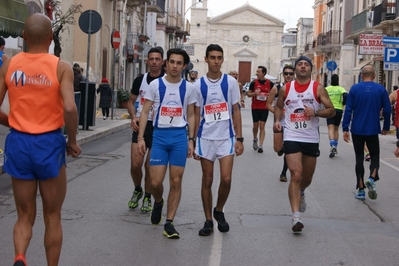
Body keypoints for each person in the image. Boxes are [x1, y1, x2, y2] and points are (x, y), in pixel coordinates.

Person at [0, 13, 81, 266]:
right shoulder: (61, 67)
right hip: (48, 143)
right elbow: (69, 108)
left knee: (24, 214)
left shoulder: (9, 64)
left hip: (19, 142)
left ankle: (20, 255)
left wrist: (13, 122)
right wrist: (73, 140)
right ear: (50, 37)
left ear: (23, 36)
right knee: (53, 216)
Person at [137, 48, 196, 239]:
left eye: (179, 63)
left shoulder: (189, 88)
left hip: (179, 136)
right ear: (166, 63)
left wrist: (191, 140)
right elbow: (145, 111)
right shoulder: (155, 85)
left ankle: (169, 222)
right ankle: (159, 201)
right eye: (172, 62)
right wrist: (140, 138)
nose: (175, 66)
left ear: (184, 66)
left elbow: (193, 114)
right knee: (155, 182)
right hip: (160, 137)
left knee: (176, 181)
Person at [273, 56, 335, 232]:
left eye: (306, 64)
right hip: (291, 135)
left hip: (310, 138)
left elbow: (331, 110)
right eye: (299, 64)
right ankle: (295, 217)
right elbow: (278, 106)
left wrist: (315, 112)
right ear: (295, 69)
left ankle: (301, 192)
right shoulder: (286, 88)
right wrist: (278, 120)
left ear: (311, 69)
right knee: (296, 174)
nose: (302, 66)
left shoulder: (318, 88)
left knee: (306, 178)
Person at [194, 44, 244, 236]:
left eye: (219, 57)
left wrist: (239, 138)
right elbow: (195, 114)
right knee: (207, 179)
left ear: (223, 60)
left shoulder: (230, 83)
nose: (216, 61)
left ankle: (219, 210)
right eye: (212, 57)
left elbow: (236, 111)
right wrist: (193, 140)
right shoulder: (197, 85)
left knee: (226, 178)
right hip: (205, 137)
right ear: (206, 59)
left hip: (226, 137)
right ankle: (208, 220)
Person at [342, 65, 391, 201]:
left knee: (359, 157)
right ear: (374, 76)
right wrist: (386, 126)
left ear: (362, 76)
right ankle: (372, 177)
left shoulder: (355, 89)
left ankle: (361, 189)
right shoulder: (381, 89)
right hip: (373, 128)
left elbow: (348, 110)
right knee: (374, 155)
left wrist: (345, 128)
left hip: (357, 129)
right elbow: (387, 110)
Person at [127, 47, 165, 212]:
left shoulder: (167, 81)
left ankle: (148, 196)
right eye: (152, 59)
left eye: (157, 59)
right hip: (141, 125)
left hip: (158, 127)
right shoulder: (139, 80)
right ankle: (138, 189)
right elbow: (131, 101)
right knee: (136, 165)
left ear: (162, 62)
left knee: (150, 166)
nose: (154, 62)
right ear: (147, 61)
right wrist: (133, 116)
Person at [266, 65, 295, 182]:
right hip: (279, 122)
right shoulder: (276, 88)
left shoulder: (296, 88)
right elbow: (268, 104)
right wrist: (277, 112)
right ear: (283, 75)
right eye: (286, 73)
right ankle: (281, 148)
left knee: (289, 148)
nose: (288, 76)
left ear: (294, 75)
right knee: (278, 148)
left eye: (291, 74)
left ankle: (284, 172)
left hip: (292, 123)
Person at [246, 66, 274, 153]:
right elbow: (248, 94)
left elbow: (275, 94)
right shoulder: (254, 82)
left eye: (258, 72)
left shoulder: (270, 83)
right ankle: (255, 139)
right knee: (255, 126)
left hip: (264, 107)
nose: (256, 73)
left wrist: (270, 96)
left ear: (263, 73)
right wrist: (254, 93)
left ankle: (261, 145)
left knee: (262, 126)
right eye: (256, 71)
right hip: (255, 107)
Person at [325, 74, 348, 158]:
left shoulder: (327, 89)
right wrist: (343, 103)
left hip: (329, 109)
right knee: (336, 129)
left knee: (330, 128)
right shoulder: (341, 89)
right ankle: (335, 146)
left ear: (331, 80)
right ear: (338, 80)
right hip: (338, 110)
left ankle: (332, 145)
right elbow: (346, 96)